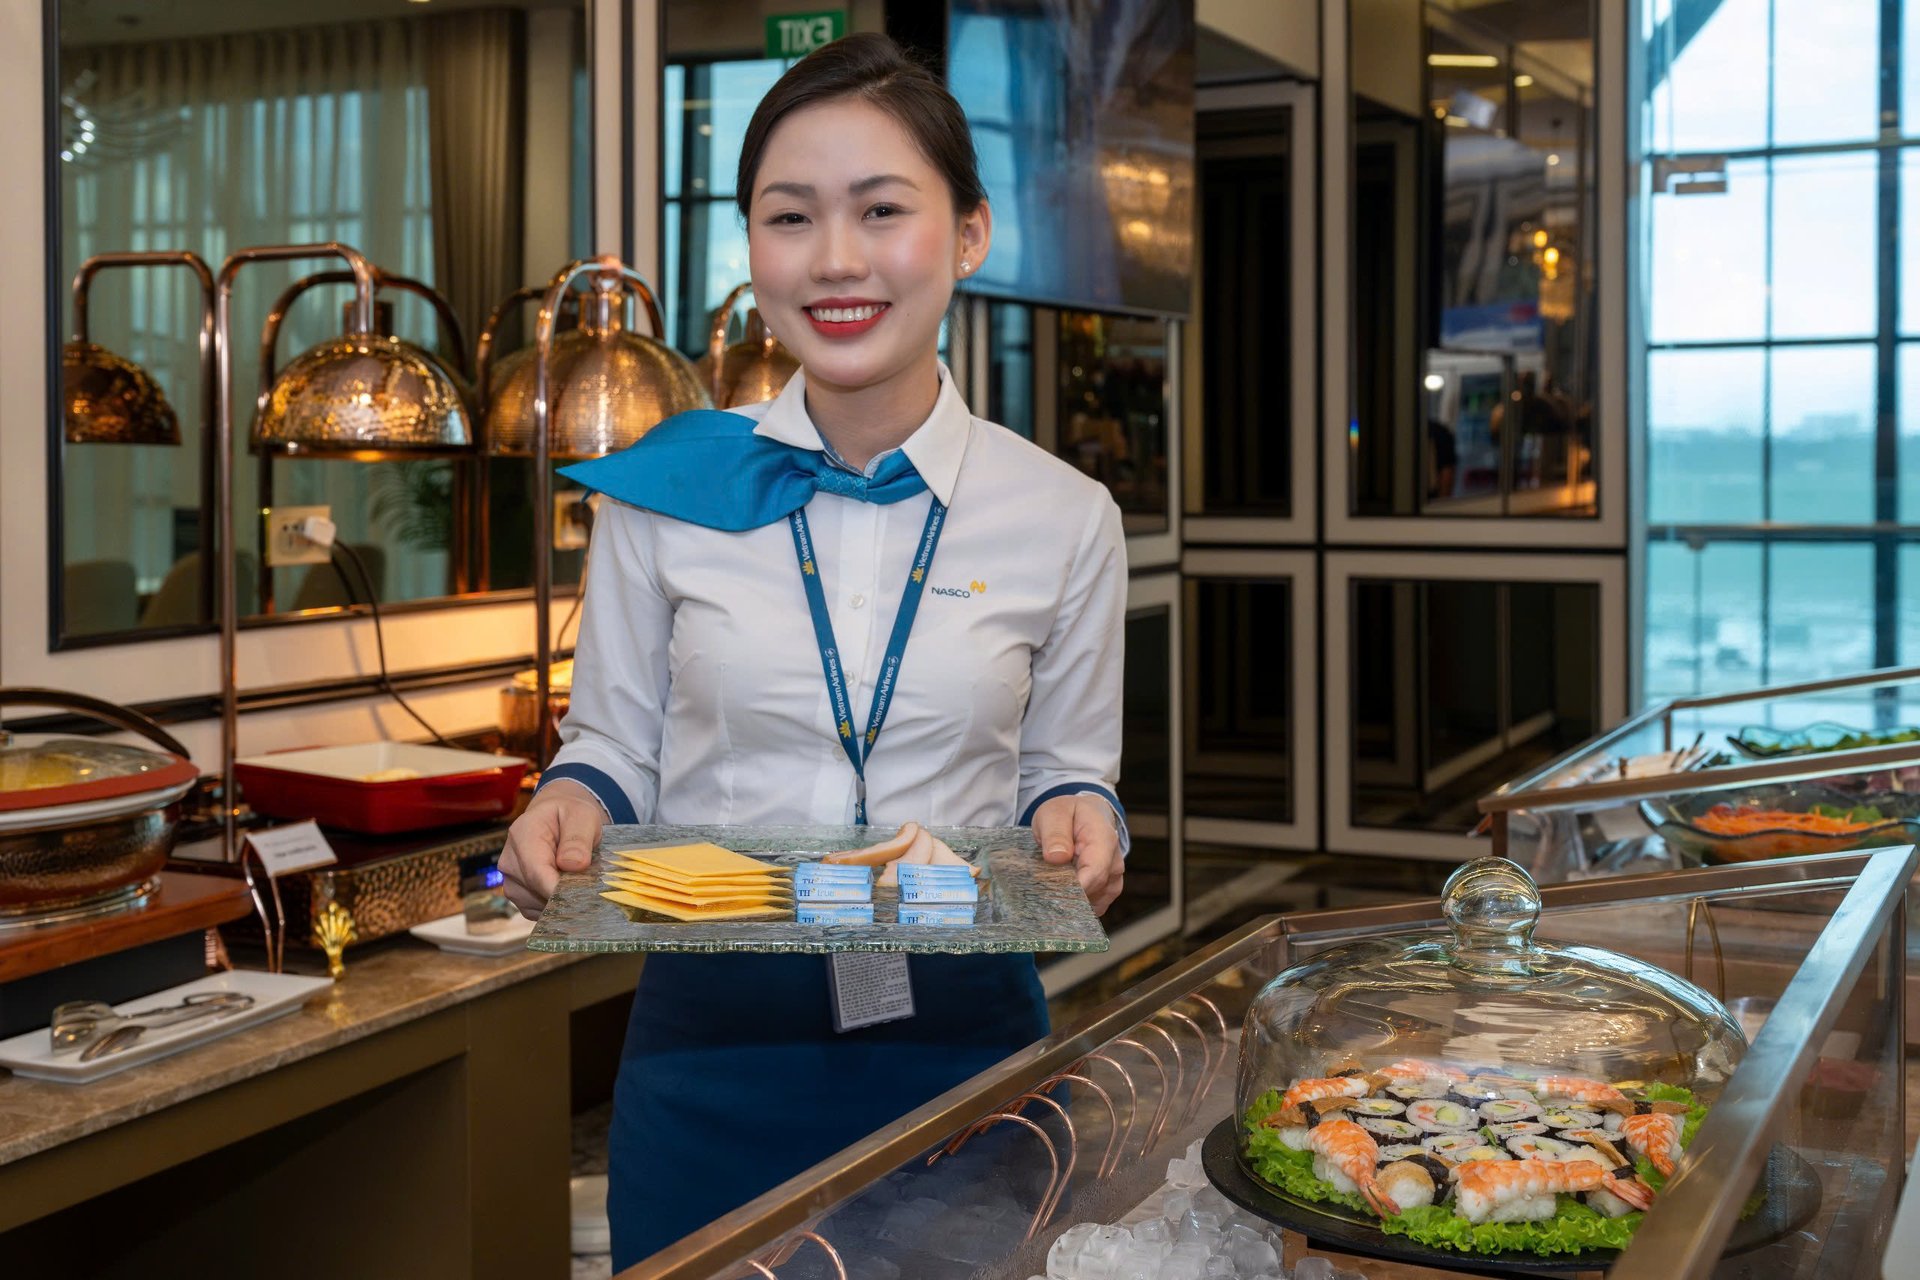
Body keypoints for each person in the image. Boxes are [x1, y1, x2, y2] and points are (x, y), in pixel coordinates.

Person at [497, 33, 1129, 1268]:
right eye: (791, 216)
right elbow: (613, 742)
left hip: (965, 1047)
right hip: (711, 1047)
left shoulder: (1062, 513)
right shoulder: (664, 488)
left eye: (882, 210)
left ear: (967, 235)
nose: (836, 259)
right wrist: (565, 798)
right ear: (752, 245)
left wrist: (1080, 814)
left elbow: (1065, 764)